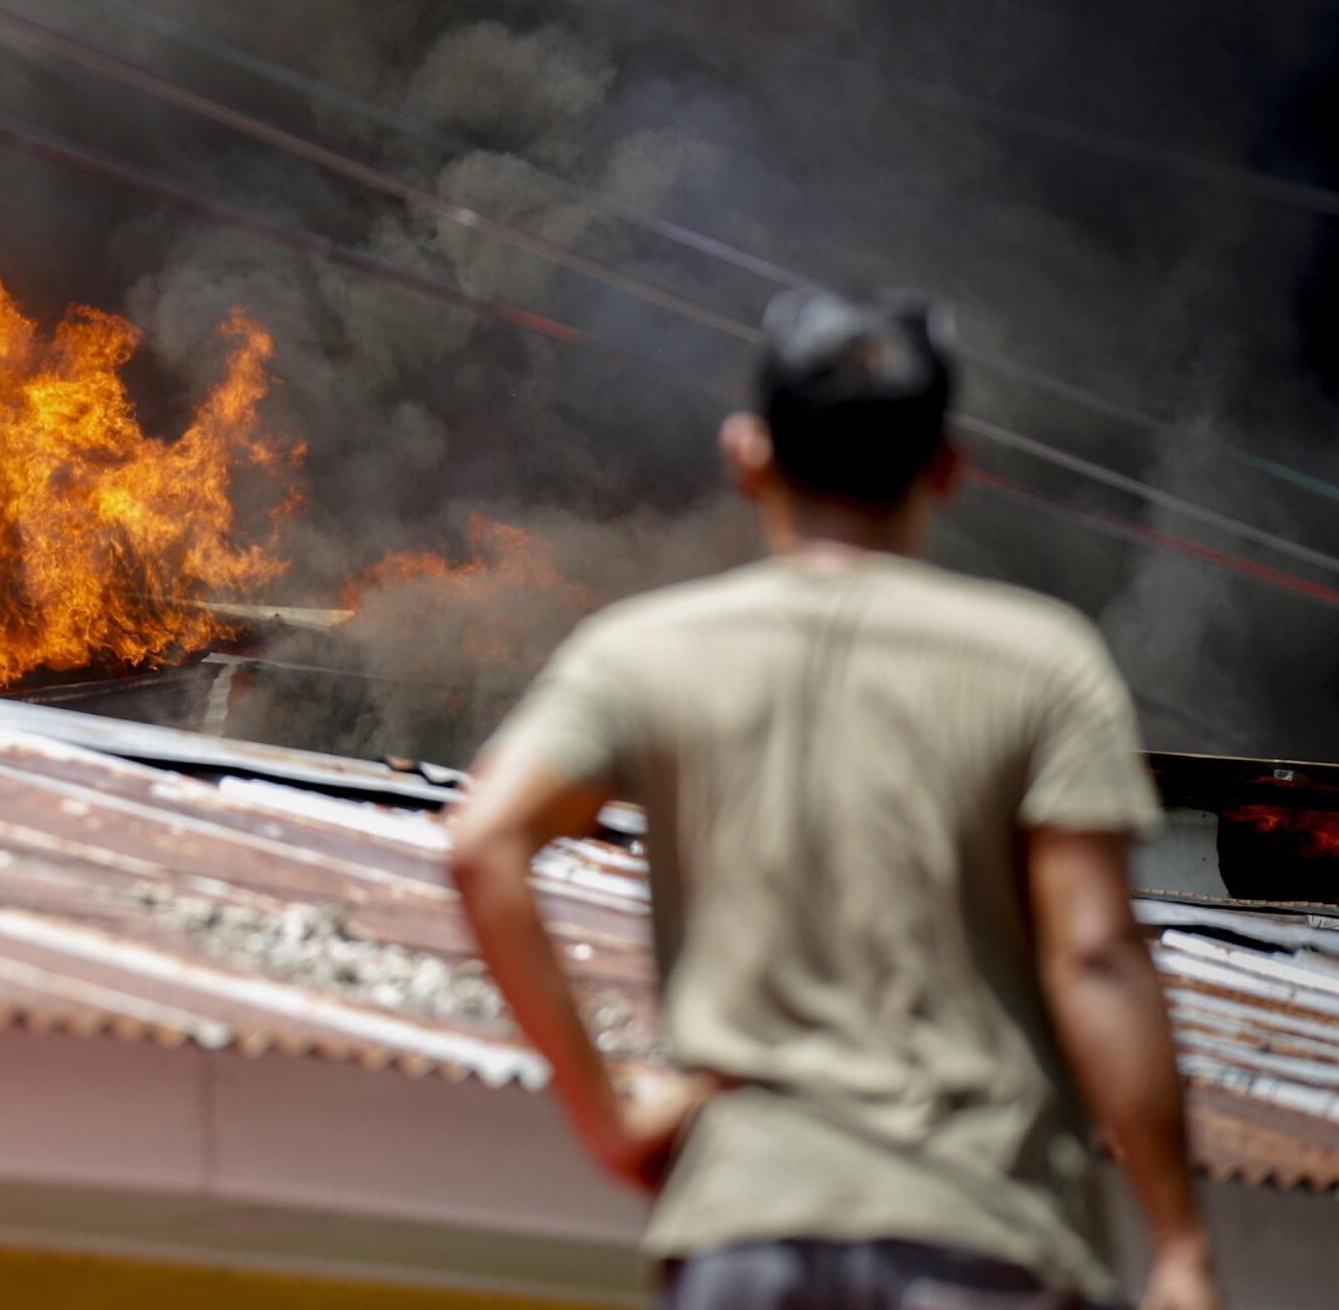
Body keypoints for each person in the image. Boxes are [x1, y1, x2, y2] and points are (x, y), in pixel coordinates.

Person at [447, 290, 1219, 1310]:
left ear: (748, 453)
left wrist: (605, 1116)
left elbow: (481, 845)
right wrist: (1178, 1244)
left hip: (745, 1235)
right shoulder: (1041, 663)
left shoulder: (638, 651)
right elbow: (1094, 956)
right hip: (980, 1226)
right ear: (946, 468)